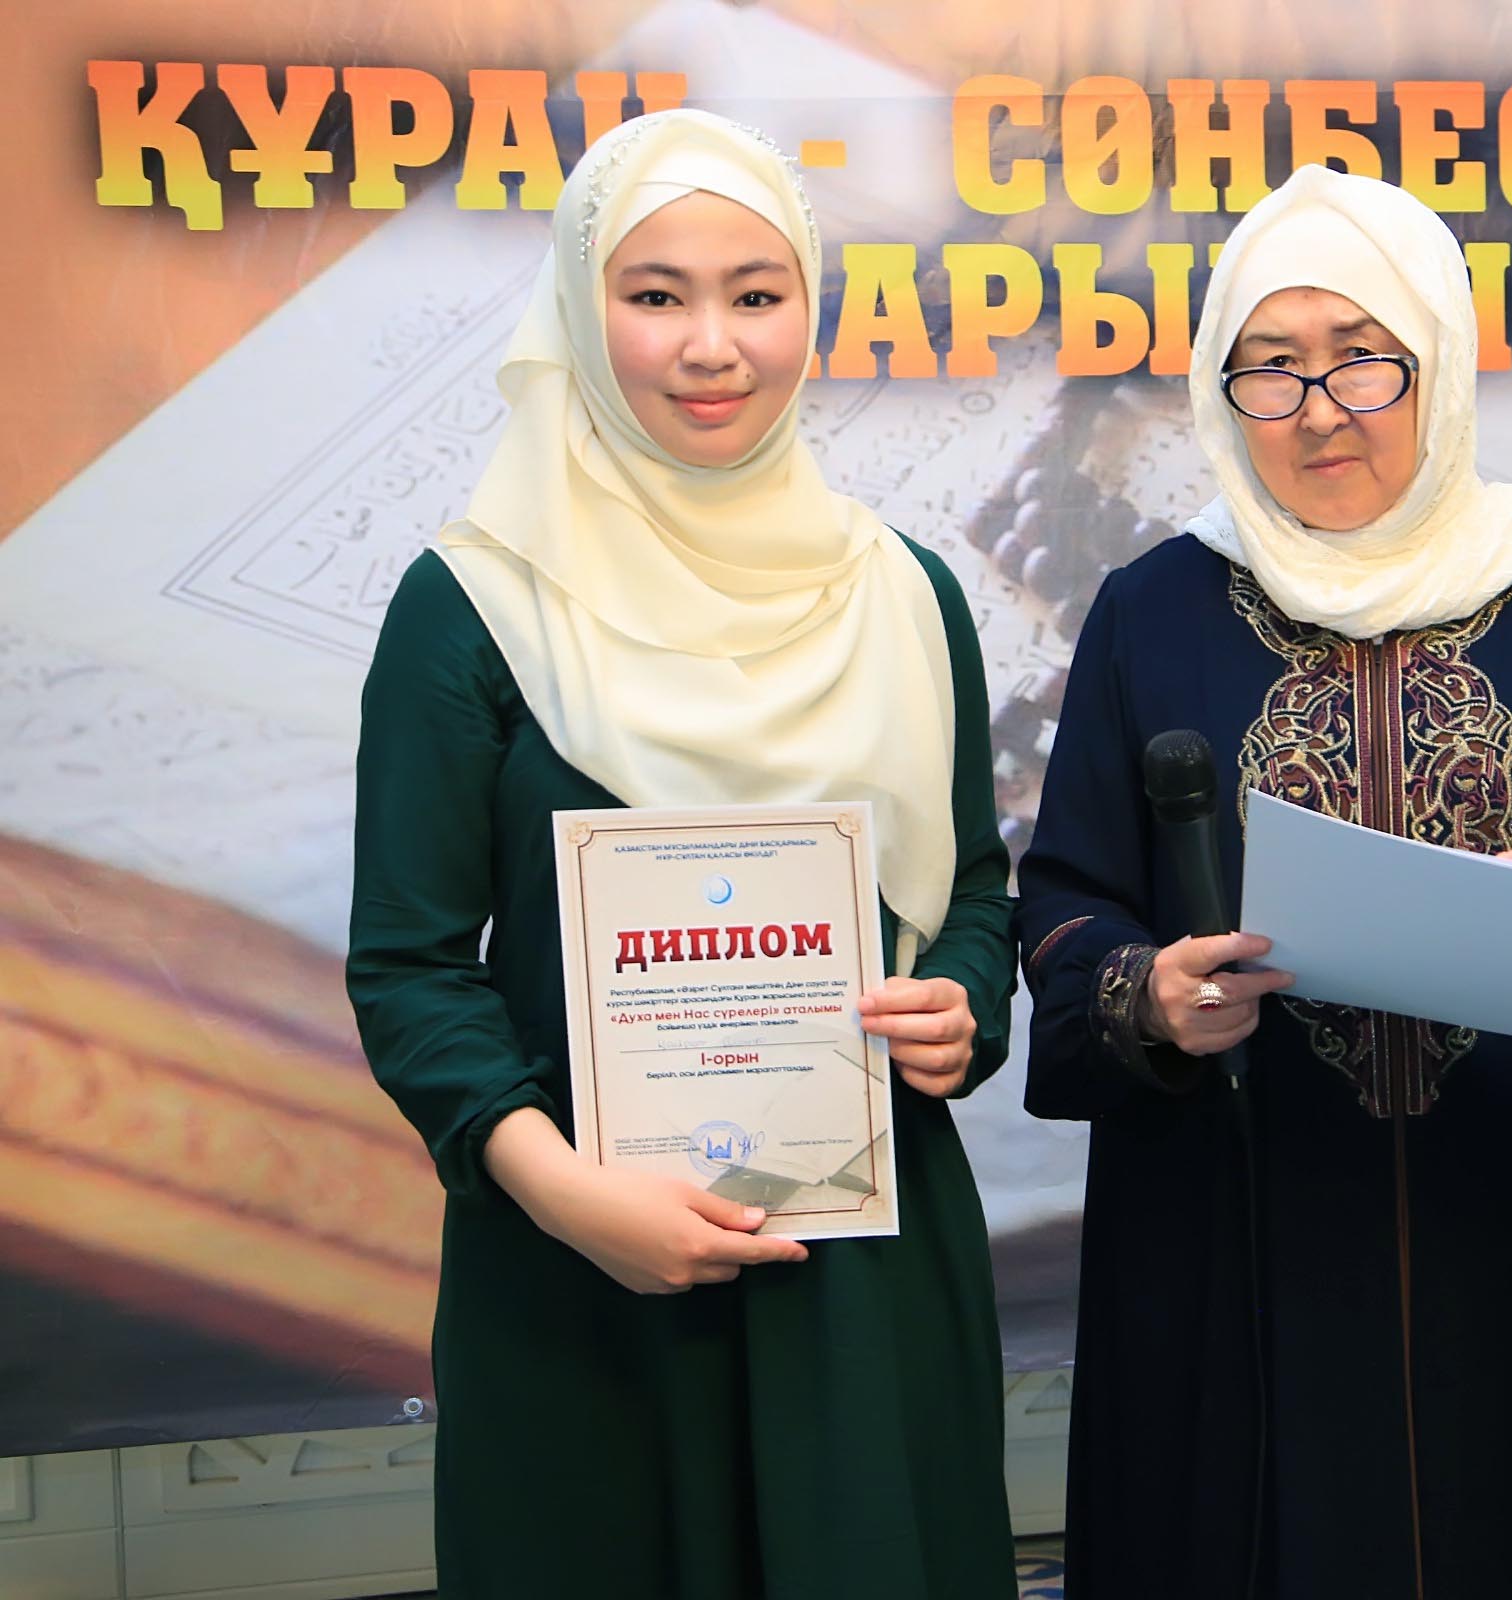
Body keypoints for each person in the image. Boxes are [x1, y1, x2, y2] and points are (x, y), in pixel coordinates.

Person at [1014, 163, 1512, 1599]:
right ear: (1219, 390)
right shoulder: (1154, 607)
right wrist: (1148, 996)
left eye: (1362, 359)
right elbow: (1068, 899)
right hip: (1236, 1203)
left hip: (1508, 1195)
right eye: (1271, 367)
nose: (1321, 411)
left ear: (1436, 362)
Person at [347, 110, 1017, 1599]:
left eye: (756, 294)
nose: (713, 346)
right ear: (582, 316)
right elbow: (408, 966)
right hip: (581, 1273)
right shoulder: (475, 605)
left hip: (863, 1269)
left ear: (810, 308)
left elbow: (971, 889)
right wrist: (561, 1192)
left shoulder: (904, 596)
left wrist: (963, 1004)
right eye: (656, 295)